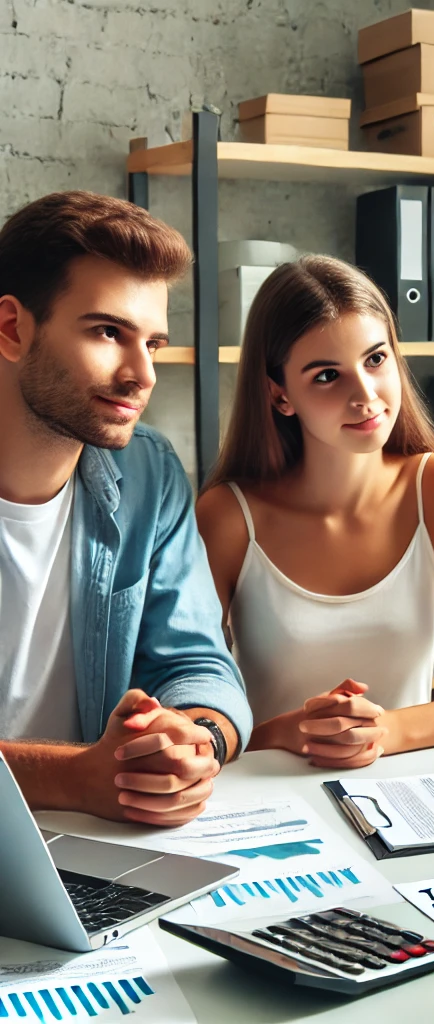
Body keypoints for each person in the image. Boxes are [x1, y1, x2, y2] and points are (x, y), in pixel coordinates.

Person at [195, 255, 434, 769]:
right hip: (269, 798)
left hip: (409, 793)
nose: (365, 397)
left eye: (375, 359)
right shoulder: (229, 517)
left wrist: (386, 731)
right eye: (327, 376)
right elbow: (190, 719)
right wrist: (282, 733)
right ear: (280, 395)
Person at [0, 190, 252, 826]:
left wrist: (193, 742)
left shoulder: (149, 473)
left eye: (156, 343)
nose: (143, 374)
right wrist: (76, 778)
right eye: (108, 332)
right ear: (12, 328)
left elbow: (195, 663)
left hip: (84, 842)